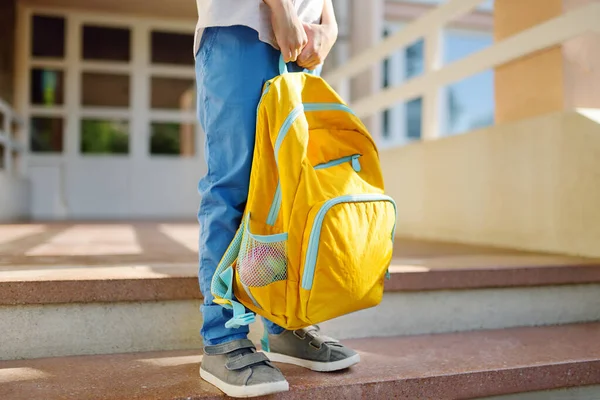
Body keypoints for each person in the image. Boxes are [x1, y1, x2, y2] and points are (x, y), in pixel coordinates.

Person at [194, 0, 359, 397]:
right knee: (232, 187)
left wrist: (329, 26)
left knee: (285, 195)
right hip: (243, 26)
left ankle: (282, 324)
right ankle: (223, 337)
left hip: (302, 41)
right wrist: (281, 9)